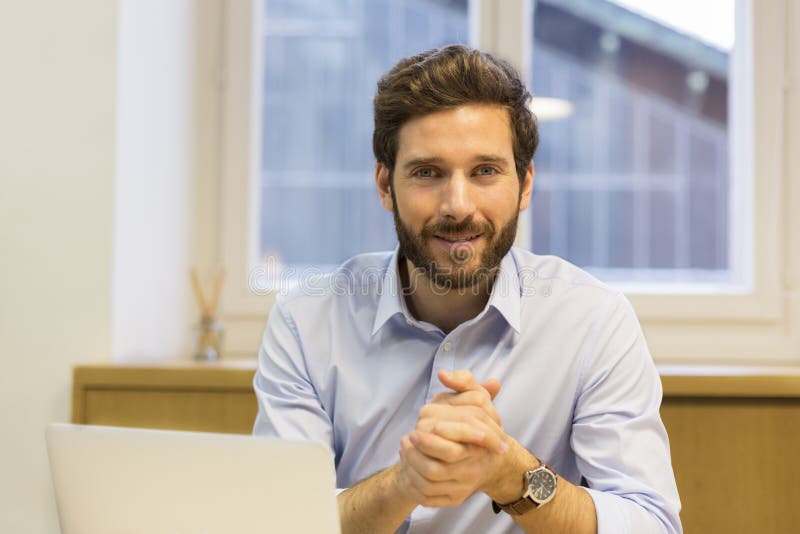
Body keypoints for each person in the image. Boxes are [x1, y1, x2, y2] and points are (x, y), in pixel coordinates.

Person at [253, 44, 681, 534]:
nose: (457, 205)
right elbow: (279, 521)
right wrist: (405, 484)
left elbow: (652, 524)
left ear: (524, 184)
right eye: (427, 172)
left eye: (485, 171)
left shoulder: (595, 321)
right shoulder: (306, 321)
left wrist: (510, 473)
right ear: (385, 185)